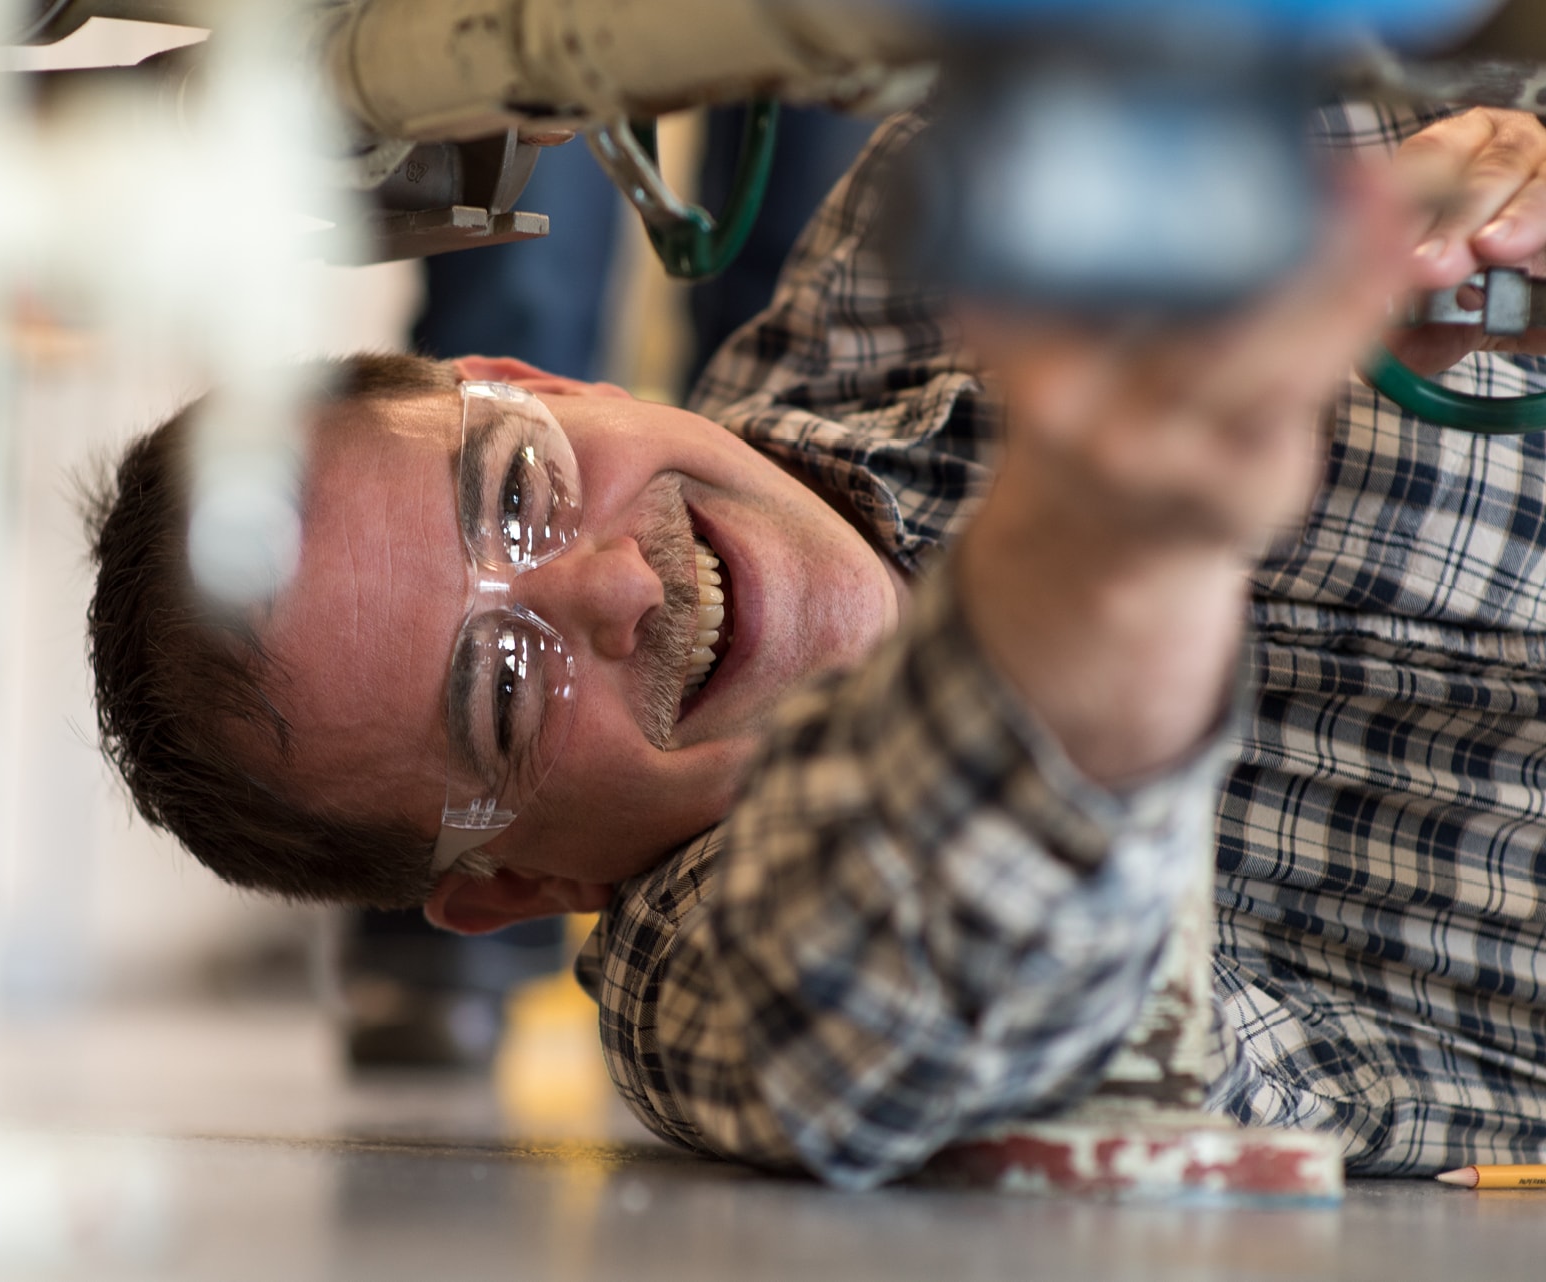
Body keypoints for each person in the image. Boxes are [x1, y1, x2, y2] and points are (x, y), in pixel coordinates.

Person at [85, 99, 1546, 1187]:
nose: (610, 590)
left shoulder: (961, 188)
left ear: (533, 374)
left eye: (519, 487)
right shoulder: (706, 981)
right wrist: (1118, 532)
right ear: (519, 881)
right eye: (503, 693)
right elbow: (896, 1014)